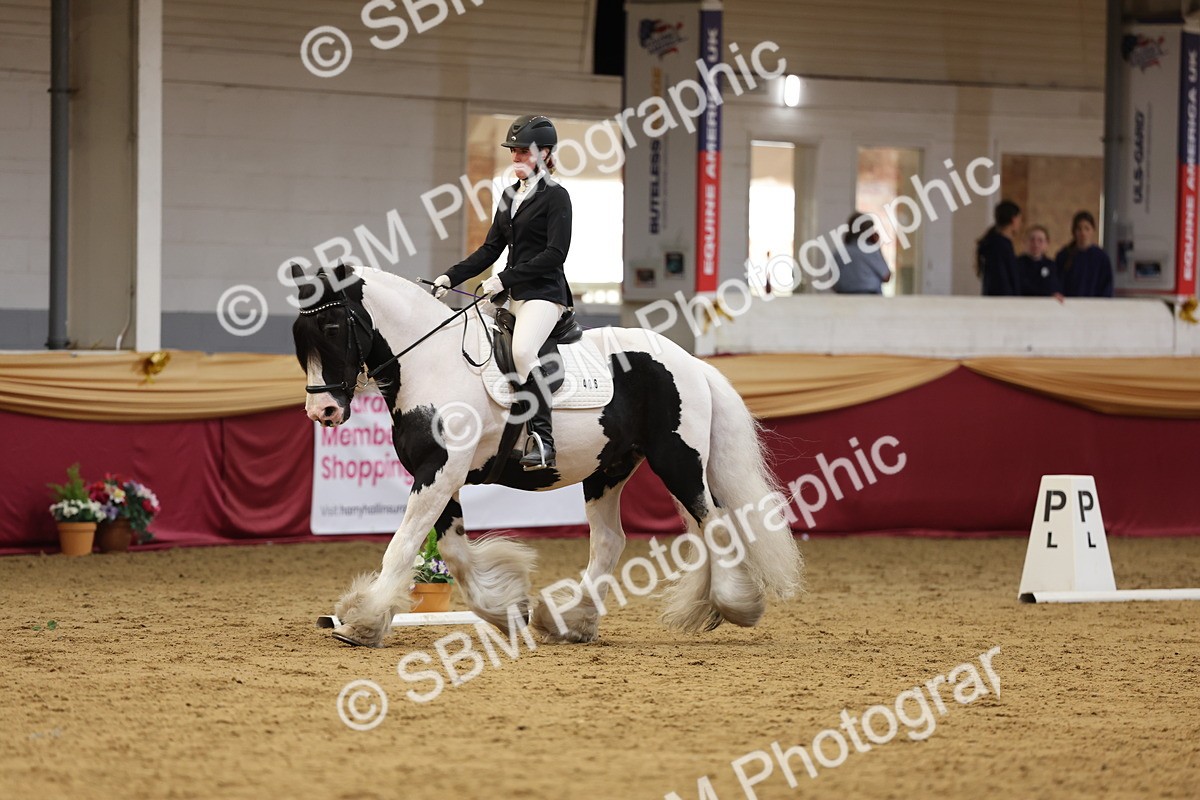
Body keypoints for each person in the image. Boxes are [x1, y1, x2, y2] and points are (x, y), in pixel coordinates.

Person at [433, 115, 572, 470]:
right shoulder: (511, 194)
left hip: (544, 294)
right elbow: (489, 249)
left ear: (543, 153)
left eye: (523, 151)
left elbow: (555, 254)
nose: (515, 158)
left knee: (523, 351)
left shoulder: (557, 197)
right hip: (511, 292)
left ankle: (543, 441)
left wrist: (505, 279)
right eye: (513, 151)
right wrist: (451, 277)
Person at [1055, 210, 1114, 297]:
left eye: (1087, 228)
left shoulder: (1101, 257)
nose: (1083, 233)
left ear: (1093, 230)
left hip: (1093, 306)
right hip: (1069, 305)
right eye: (1079, 229)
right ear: (1074, 231)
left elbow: (1107, 286)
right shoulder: (1064, 255)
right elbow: (1057, 283)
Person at [833, 213, 892, 294]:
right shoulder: (870, 250)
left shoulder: (840, 252)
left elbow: (833, 284)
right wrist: (877, 246)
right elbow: (886, 277)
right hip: (869, 299)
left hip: (843, 299)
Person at [977, 200, 1022, 296]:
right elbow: (1002, 281)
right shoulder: (999, 246)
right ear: (1014, 220)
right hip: (1002, 304)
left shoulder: (995, 243)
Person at [1016, 225, 1062, 298]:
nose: (1035, 243)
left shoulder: (1051, 265)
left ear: (1047, 243)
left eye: (1040, 240)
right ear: (1025, 242)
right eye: (1032, 239)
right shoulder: (1017, 264)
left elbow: (1053, 287)